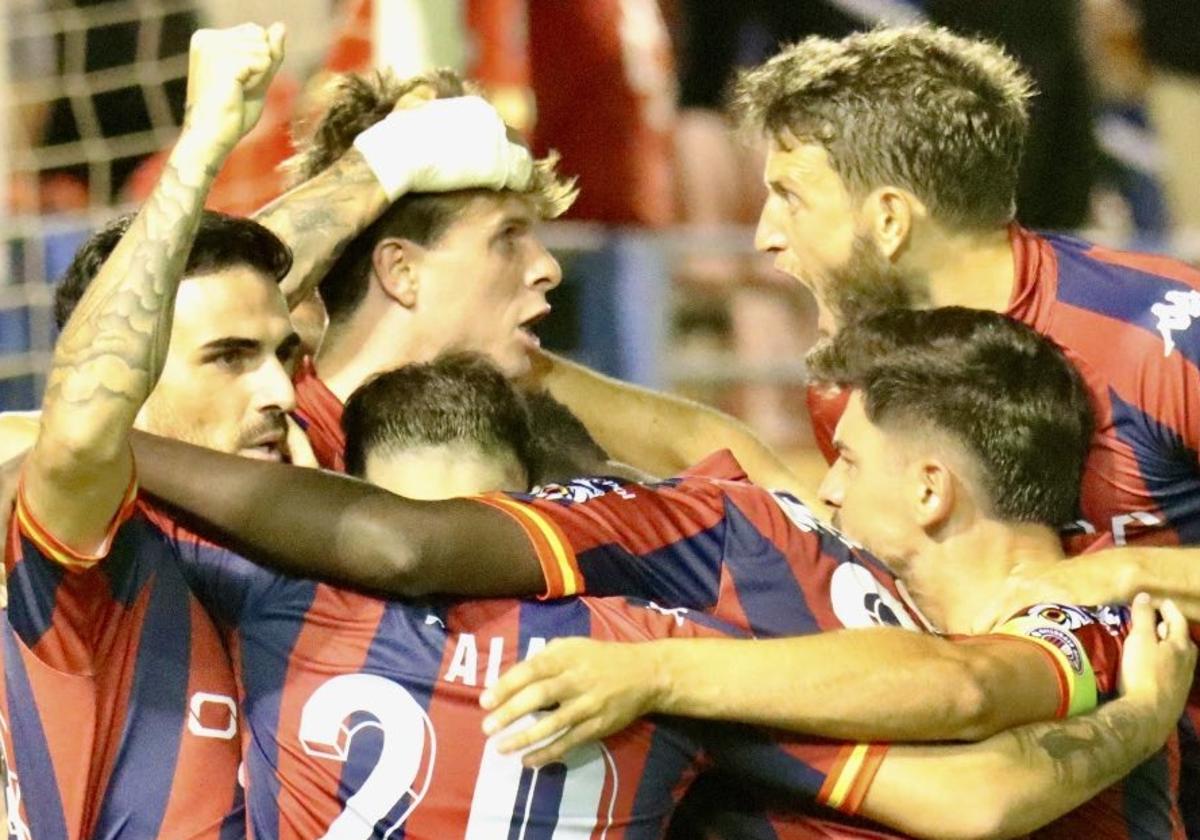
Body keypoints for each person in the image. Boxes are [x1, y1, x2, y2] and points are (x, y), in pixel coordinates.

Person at [126, 308, 1191, 836]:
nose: (823, 488)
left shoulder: (1096, 607)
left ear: (928, 491)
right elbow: (729, 454)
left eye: (848, 464)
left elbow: (975, 745)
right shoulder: (744, 565)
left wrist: (657, 674)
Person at [1, 22, 291, 837]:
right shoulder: (88, 555)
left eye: (282, 355)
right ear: (134, 380)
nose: (278, 389)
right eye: (229, 358)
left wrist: (385, 169)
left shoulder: (295, 497)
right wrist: (201, 148)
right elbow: (87, 425)